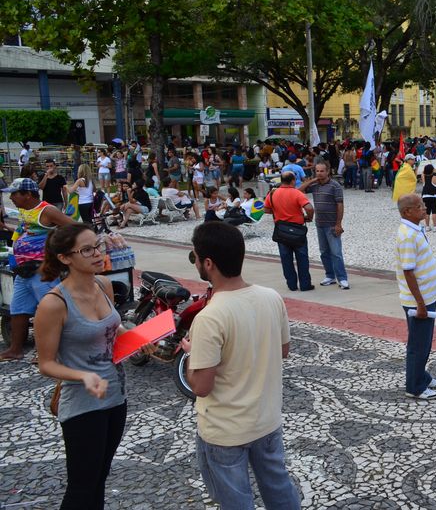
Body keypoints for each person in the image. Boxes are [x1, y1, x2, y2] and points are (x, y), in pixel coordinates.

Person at [34, 222, 155, 508]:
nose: (98, 254)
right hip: (82, 405)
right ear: (65, 258)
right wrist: (82, 376)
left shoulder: (104, 285)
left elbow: (111, 329)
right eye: (87, 249)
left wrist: (137, 337)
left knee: (100, 477)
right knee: (81, 486)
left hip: (116, 396)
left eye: (98, 245)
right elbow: (46, 363)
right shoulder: (54, 304)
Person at [182, 222, 300, 509]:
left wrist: (190, 354)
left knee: (236, 501)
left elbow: (201, 385)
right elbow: (283, 350)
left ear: (207, 263)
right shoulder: (271, 297)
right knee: (279, 487)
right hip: (266, 419)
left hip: (225, 431)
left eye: (195, 257)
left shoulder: (210, 317)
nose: (195, 261)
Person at [0, 178, 77, 360]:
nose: (11, 198)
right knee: (18, 310)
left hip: (42, 270)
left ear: (27, 195)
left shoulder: (47, 210)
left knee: (50, 311)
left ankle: (53, 353)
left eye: (14, 194)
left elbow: (74, 227)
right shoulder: (25, 210)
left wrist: (57, 247)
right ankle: (15, 349)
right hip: (23, 270)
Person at [395, 194, 436, 400]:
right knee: (418, 344)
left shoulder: (416, 229)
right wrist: (420, 303)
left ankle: (421, 375)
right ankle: (415, 386)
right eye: (420, 206)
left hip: (427, 295)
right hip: (419, 301)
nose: (424, 209)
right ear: (407, 212)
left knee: (425, 341)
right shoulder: (408, 235)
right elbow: (408, 271)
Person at [263, 171, 314, 292]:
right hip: (297, 230)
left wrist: (278, 213)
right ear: (293, 181)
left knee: (286, 259)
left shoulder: (272, 193)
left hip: (281, 230)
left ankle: (292, 285)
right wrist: (308, 217)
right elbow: (309, 207)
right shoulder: (297, 193)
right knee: (302, 258)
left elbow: (266, 210)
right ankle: (305, 284)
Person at [303, 159, 349, 290]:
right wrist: (312, 180)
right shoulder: (315, 185)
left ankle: (342, 278)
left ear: (328, 171)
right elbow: (298, 190)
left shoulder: (335, 186)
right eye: (317, 171)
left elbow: (340, 205)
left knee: (336, 252)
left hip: (332, 224)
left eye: (322, 171)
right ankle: (330, 275)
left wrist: (338, 224)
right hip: (319, 224)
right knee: (324, 252)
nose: (319, 173)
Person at [421, 163, 436, 230]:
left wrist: (427, 170)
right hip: (435, 196)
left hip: (425, 196)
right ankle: (435, 226)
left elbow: (422, 172)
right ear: (432, 170)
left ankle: (427, 226)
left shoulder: (423, 177)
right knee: (434, 211)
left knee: (427, 212)